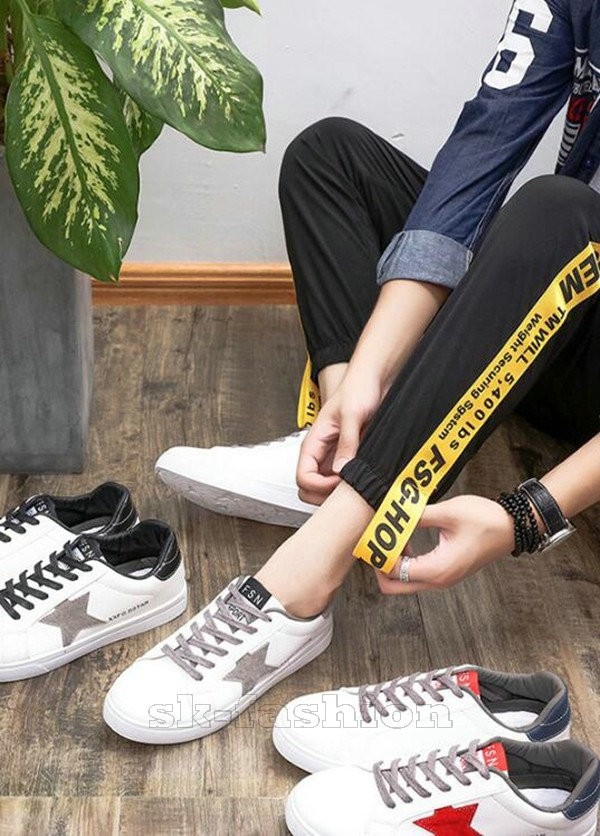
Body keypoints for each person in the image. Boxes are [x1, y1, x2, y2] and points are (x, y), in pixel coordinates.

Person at [104, 0, 600, 743]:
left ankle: (305, 576)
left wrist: (525, 517)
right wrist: (362, 375)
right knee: (329, 157)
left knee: (557, 211)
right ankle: (351, 455)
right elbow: (479, 155)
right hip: (559, 313)